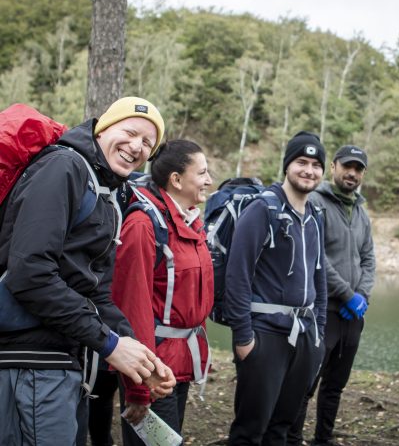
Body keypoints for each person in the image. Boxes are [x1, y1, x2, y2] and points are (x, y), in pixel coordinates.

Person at [0, 97, 176, 446]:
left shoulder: (109, 192)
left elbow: (95, 291)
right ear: (103, 126)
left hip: (63, 363)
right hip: (30, 364)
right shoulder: (63, 168)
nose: (136, 147)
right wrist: (109, 344)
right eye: (130, 132)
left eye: (147, 143)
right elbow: (29, 272)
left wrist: (139, 357)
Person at [225, 131, 328, 446]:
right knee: (250, 430)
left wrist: (319, 333)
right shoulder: (263, 210)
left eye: (315, 164)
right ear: (287, 165)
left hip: (305, 336)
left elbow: (319, 276)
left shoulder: (314, 216)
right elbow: (237, 275)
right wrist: (243, 337)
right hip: (265, 335)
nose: (308, 170)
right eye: (301, 162)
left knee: (281, 428)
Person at [111, 139, 214, 443]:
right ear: (177, 179)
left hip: (177, 363)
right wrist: (139, 387)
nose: (209, 180)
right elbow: (132, 308)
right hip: (152, 368)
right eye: (203, 173)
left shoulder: (192, 223)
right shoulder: (143, 225)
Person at [287, 145, 376, 446]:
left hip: (354, 315)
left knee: (335, 386)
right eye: (347, 167)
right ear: (334, 167)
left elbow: (368, 258)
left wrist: (362, 296)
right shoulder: (316, 203)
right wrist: (347, 294)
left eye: (358, 169)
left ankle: (322, 439)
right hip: (323, 311)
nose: (352, 173)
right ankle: (291, 438)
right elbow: (316, 256)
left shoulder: (362, 213)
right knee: (306, 383)